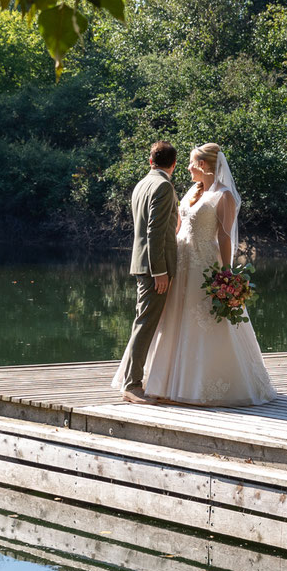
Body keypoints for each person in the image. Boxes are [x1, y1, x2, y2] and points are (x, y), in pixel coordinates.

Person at [142, 143, 276, 406]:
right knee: (174, 319)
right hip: (182, 262)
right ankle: (167, 382)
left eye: (192, 163)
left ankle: (201, 384)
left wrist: (227, 274)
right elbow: (179, 227)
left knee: (206, 320)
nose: (188, 168)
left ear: (203, 165)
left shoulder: (224, 196)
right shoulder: (192, 191)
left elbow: (225, 237)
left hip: (205, 264)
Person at [113, 141, 179, 403]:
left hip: (143, 264)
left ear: (150, 161)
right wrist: (159, 271)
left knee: (143, 320)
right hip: (154, 267)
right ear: (173, 164)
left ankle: (132, 379)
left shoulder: (142, 183)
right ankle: (132, 384)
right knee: (145, 322)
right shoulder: (163, 185)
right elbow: (154, 232)